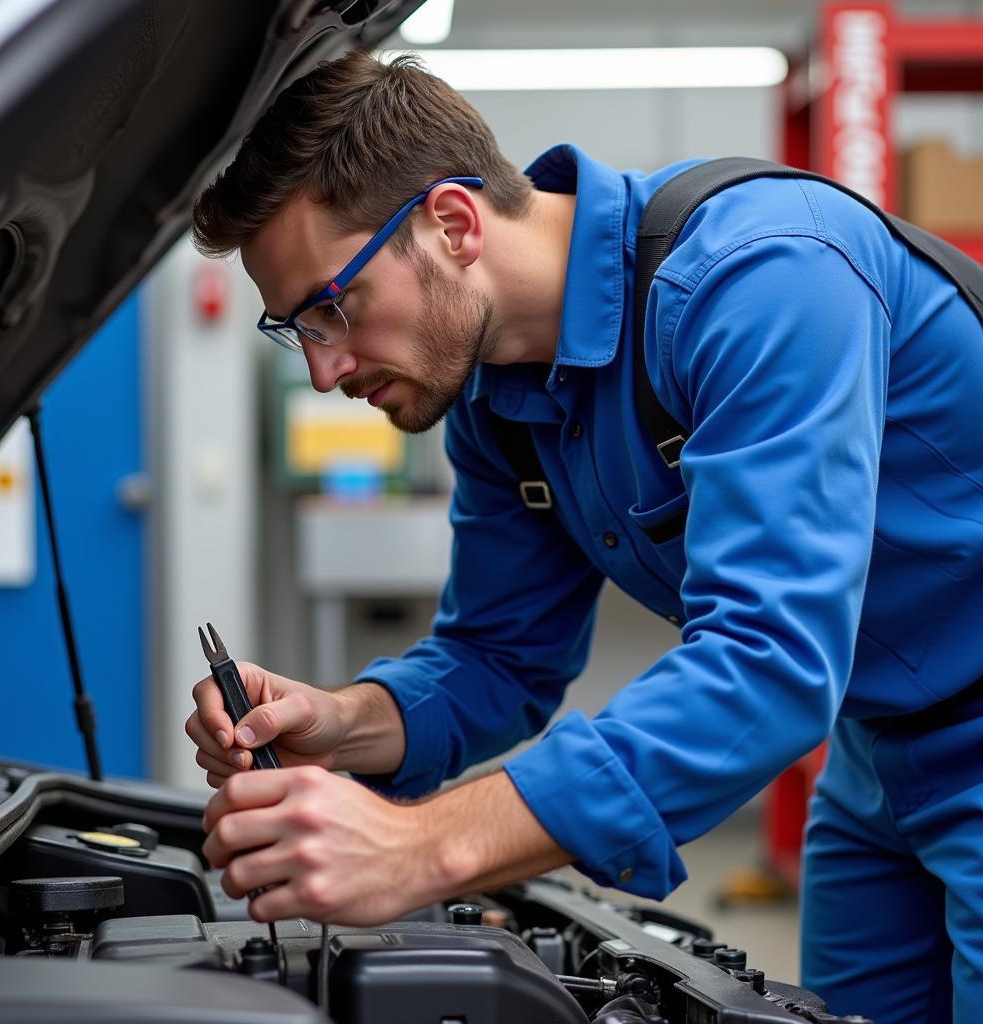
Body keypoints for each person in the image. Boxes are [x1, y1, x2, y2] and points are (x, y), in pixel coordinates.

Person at [184, 51, 983, 1024]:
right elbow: (498, 658)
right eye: (294, 329)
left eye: (331, 307)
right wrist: (340, 723)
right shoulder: (496, 403)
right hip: (875, 760)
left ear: (453, 223)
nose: (321, 370)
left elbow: (769, 662)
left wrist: (420, 846)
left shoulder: (762, 275)